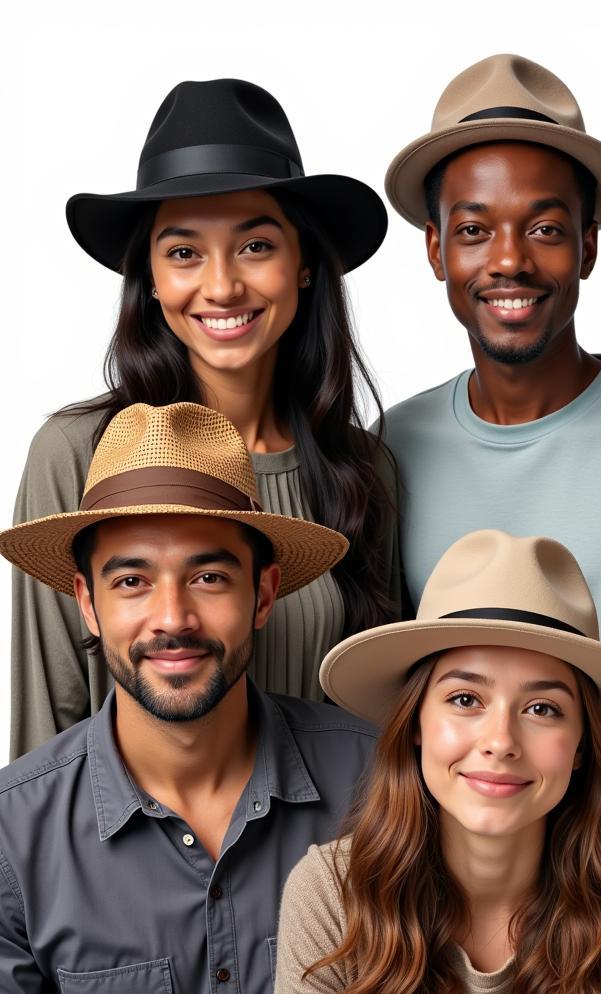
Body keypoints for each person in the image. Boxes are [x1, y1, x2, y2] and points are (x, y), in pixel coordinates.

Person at [381, 53, 601, 848]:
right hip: (442, 914)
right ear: (437, 251)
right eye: (475, 231)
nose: (509, 260)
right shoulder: (392, 447)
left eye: (544, 230)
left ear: (587, 247)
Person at [11, 77, 398, 759]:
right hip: (124, 857)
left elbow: (378, 722)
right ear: (151, 278)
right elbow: (49, 724)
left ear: (303, 264)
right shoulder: (76, 453)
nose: (221, 285)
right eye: (184, 251)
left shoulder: (361, 470)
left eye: (255, 246)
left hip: (325, 854)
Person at [0, 402, 376, 994]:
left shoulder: (380, 784)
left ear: (263, 593)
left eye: (208, 578)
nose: (173, 618)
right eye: (131, 582)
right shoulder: (12, 841)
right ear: (87, 605)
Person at [274, 528, 601, 994]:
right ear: (416, 723)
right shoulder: (331, 895)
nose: (500, 741)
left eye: (543, 708)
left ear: (583, 744)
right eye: (465, 700)